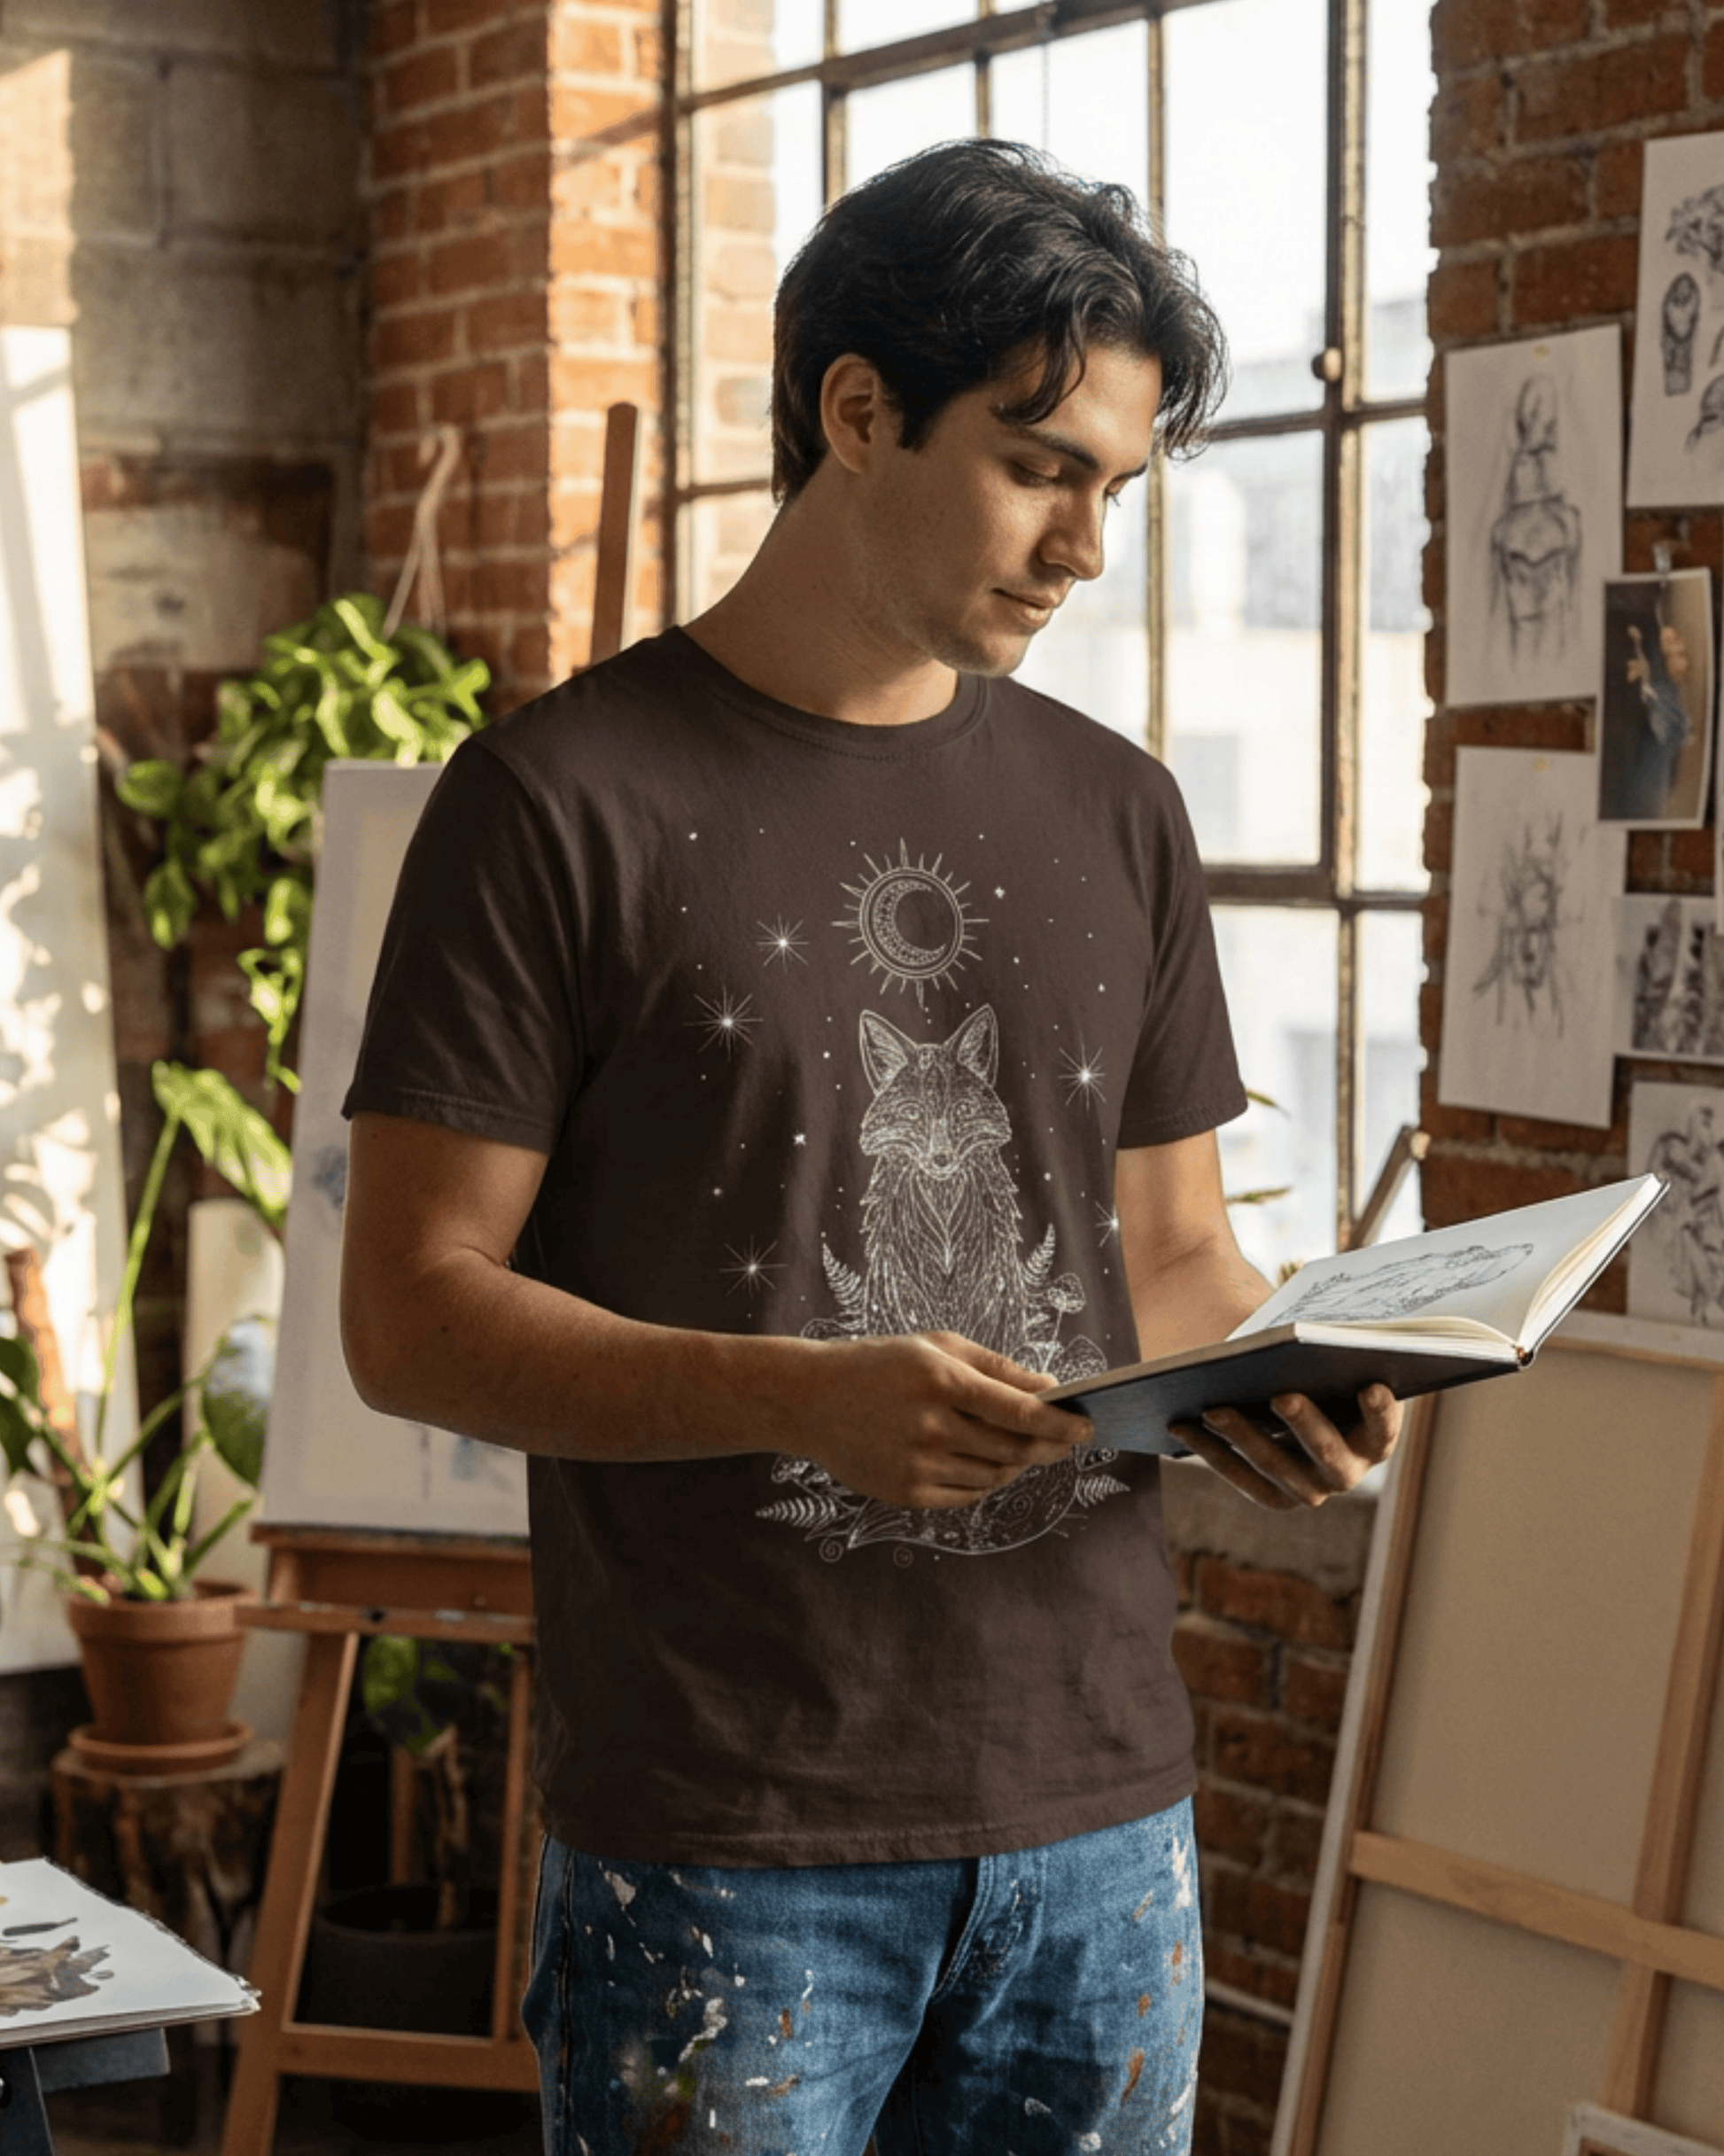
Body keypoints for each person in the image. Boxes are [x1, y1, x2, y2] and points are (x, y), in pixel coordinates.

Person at [338, 139, 1402, 2156]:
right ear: (854, 411)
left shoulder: (1120, 809)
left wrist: (1295, 1379)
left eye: (1118, 485)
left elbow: (1172, 1262)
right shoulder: (554, 801)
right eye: (1039, 465)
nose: (1087, 542)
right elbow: (410, 1316)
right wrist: (805, 1400)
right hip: (731, 1836)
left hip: (1102, 1814)